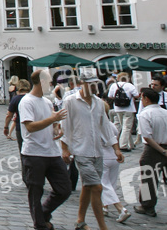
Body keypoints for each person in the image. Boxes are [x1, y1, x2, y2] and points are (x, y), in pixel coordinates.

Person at [59, 67, 123, 230]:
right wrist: (65, 148)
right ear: (82, 84)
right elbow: (65, 126)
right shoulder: (70, 101)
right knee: (97, 187)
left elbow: (106, 128)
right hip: (81, 151)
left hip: (97, 152)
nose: (94, 87)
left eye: (95, 83)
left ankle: (80, 221)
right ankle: (103, 227)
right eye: (90, 84)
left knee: (88, 187)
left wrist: (116, 148)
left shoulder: (99, 103)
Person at [19, 69, 72, 230]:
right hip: (33, 153)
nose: (52, 85)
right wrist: (52, 119)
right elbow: (30, 127)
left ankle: (42, 214)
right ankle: (40, 225)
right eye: (49, 82)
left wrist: (56, 129)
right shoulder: (26, 102)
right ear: (41, 82)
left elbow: (51, 124)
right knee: (36, 191)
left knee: (64, 189)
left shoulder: (48, 102)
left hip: (52, 152)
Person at [133, 87, 167, 217]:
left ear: (146, 99)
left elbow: (147, 137)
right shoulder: (165, 112)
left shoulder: (145, 114)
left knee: (149, 179)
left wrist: (162, 151)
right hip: (162, 146)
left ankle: (147, 206)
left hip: (153, 149)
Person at [99, 107, 132, 223]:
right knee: (110, 185)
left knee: (104, 184)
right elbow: (115, 140)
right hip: (113, 157)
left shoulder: (98, 125)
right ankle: (105, 206)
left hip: (103, 157)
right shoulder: (112, 125)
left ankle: (121, 209)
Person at [108, 72, 138, 152]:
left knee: (124, 126)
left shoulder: (114, 85)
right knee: (127, 127)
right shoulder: (130, 85)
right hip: (129, 108)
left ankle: (131, 144)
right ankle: (123, 145)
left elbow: (110, 96)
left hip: (118, 108)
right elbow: (136, 95)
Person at [5, 79, 31, 150]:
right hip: (33, 126)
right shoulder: (33, 97)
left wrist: (6, 127)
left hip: (20, 126)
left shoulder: (15, 99)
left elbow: (9, 115)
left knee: (22, 148)